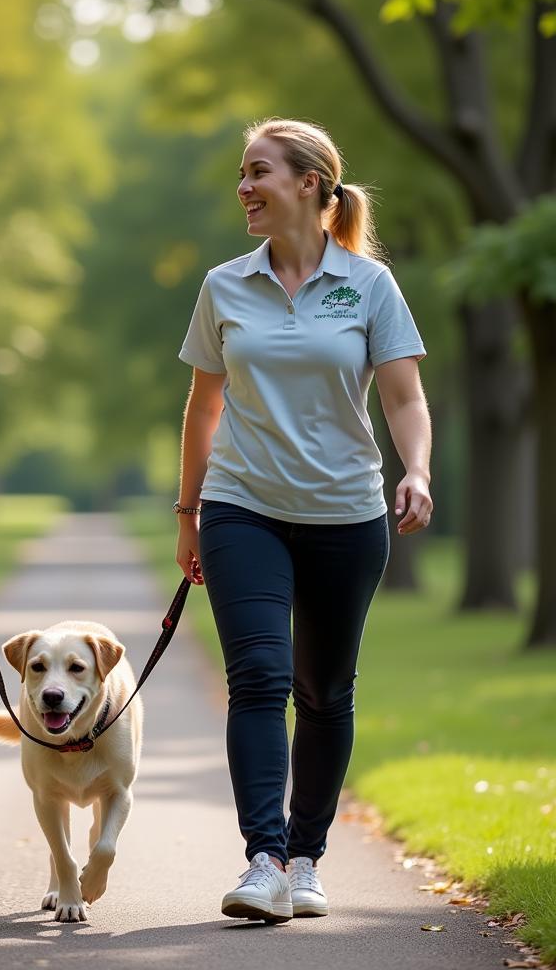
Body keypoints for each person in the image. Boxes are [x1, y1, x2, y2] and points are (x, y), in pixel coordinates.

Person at [175, 118, 432, 923]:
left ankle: (308, 856)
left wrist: (418, 468)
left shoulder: (369, 285)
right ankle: (264, 859)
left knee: (323, 692)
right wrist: (189, 511)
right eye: (242, 176)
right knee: (258, 677)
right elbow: (202, 409)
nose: (244, 188)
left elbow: (404, 396)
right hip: (242, 505)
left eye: (259, 173)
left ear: (311, 184)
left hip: (346, 515)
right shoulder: (223, 285)